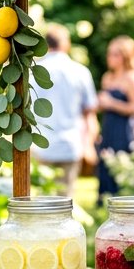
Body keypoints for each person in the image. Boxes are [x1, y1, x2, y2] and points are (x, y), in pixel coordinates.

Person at [30, 24, 98, 197]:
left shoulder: (33, 72)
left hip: (40, 145)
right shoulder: (80, 72)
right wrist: (89, 145)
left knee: (41, 199)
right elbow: (89, 112)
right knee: (65, 200)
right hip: (70, 144)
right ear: (66, 44)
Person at [97, 35, 134, 199]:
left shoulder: (132, 77)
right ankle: (104, 200)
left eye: (115, 54)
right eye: (109, 53)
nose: (110, 58)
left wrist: (112, 103)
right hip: (108, 127)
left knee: (120, 164)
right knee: (105, 162)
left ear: (125, 56)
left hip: (124, 129)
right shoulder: (107, 77)